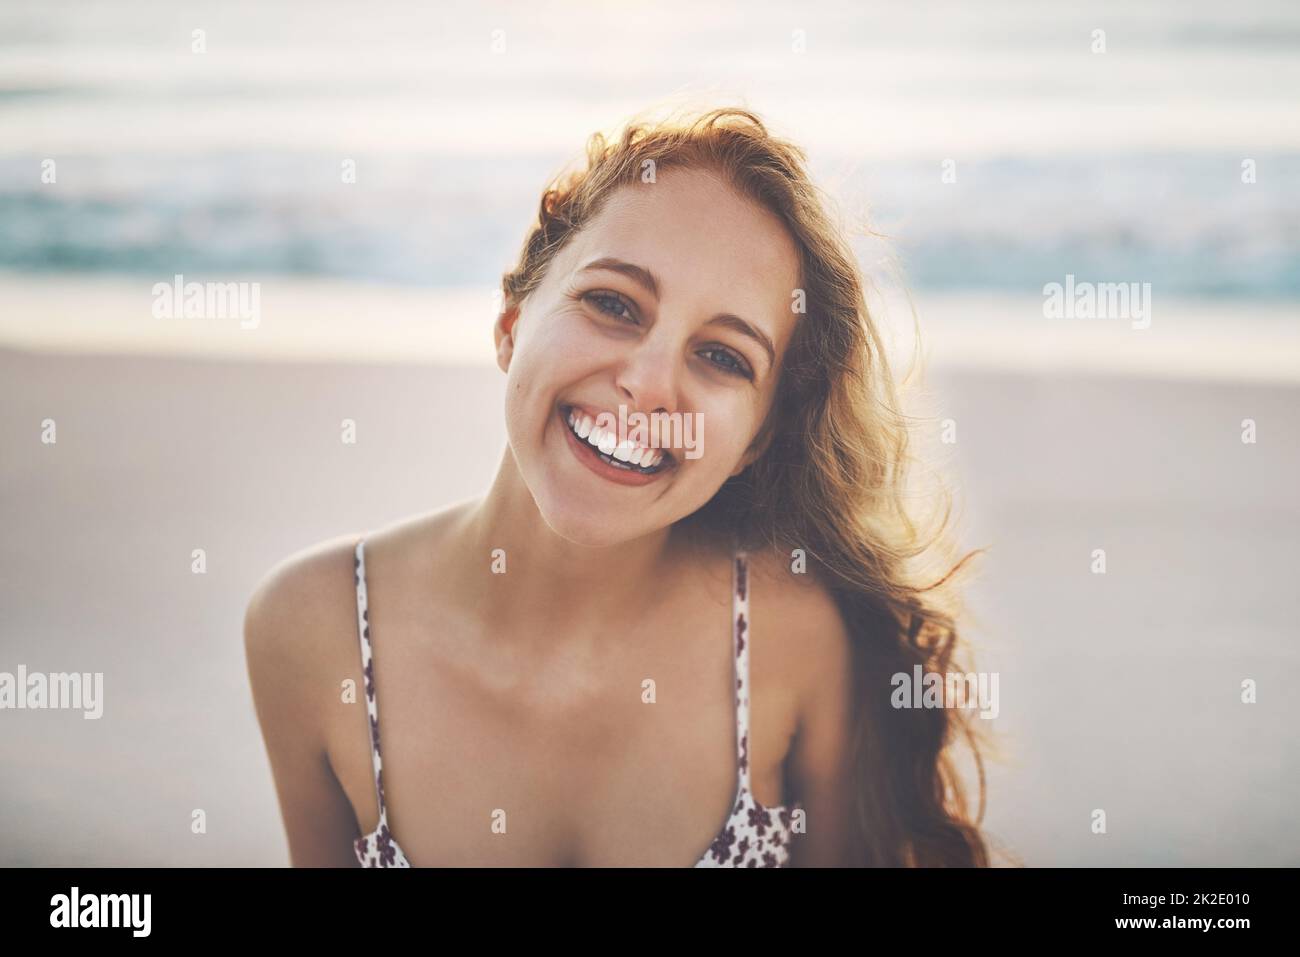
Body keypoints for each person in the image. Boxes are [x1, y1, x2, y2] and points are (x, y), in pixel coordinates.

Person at [244, 105, 990, 867]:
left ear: (754, 441)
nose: (647, 386)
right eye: (613, 304)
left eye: (724, 357)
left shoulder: (794, 639)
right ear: (511, 319)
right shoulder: (314, 627)